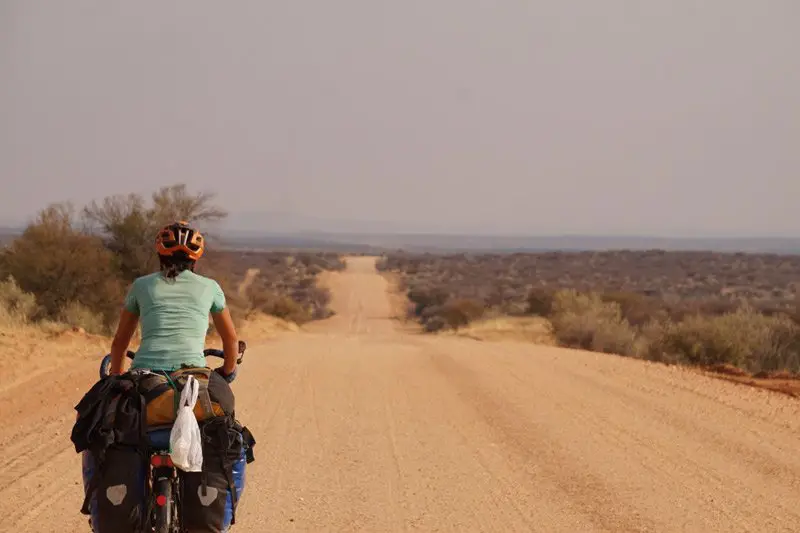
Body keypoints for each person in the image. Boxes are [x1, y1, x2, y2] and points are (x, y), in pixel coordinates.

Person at [107, 220, 239, 380]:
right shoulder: (211, 287)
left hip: (145, 374)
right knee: (223, 402)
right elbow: (231, 339)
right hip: (193, 373)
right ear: (195, 258)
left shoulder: (141, 285)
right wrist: (228, 371)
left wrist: (116, 375)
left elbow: (120, 342)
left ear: (160, 254)